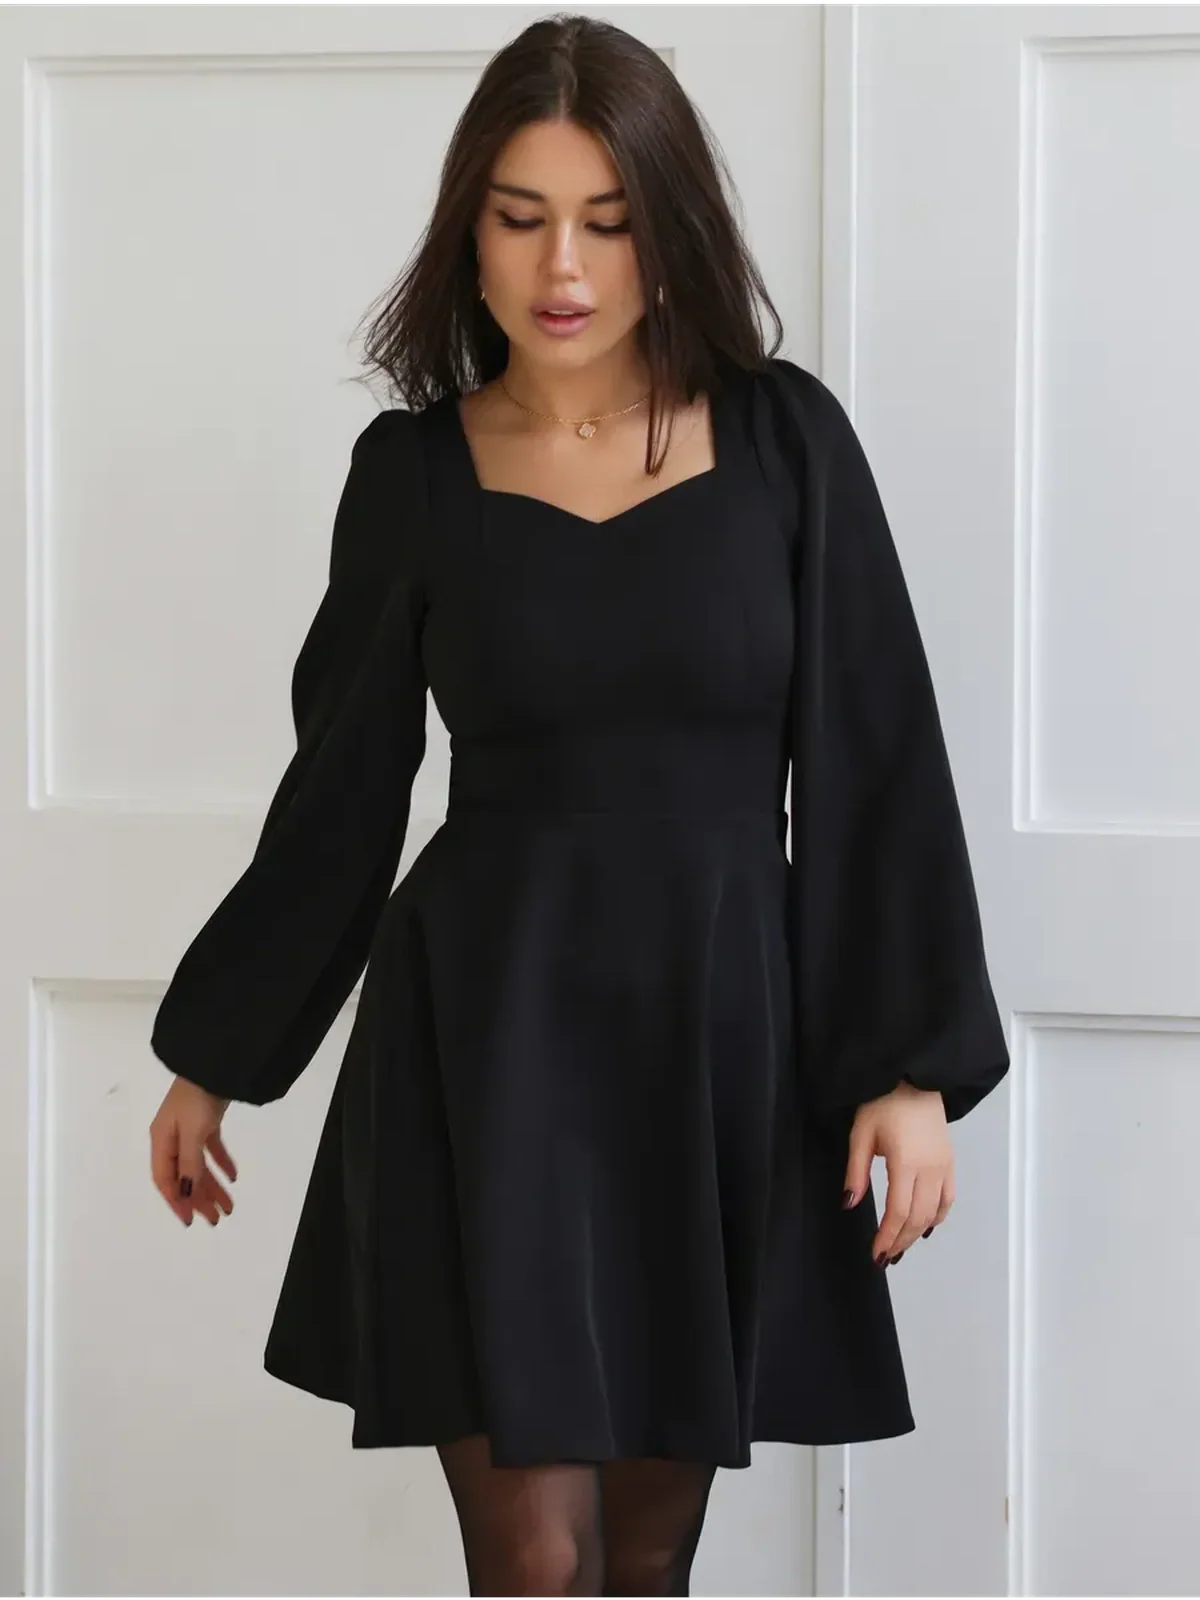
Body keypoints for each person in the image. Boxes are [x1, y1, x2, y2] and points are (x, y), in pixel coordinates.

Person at [146, 12, 1009, 1598]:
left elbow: (878, 751)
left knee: (645, 1557)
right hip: (488, 1043)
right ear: (468, 231)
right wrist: (219, 1053)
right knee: (535, 1562)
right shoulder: (412, 475)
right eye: (522, 215)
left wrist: (907, 1067)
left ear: (668, 236)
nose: (563, 266)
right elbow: (342, 789)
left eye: (608, 222)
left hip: (714, 1042)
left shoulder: (786, 442)